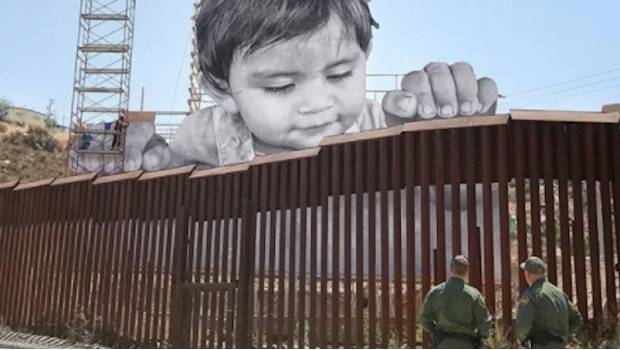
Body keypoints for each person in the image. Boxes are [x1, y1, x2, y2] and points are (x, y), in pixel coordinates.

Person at [122, 0, 499, 172]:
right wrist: (145, 165)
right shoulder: (205, 136)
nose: (318, 103)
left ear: (365, 53)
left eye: (338, 75)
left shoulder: (385, 128)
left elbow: (451, 205)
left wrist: (449, 147)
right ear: (222, 89)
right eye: (281, 86)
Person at [419, 255, 491, 348]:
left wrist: (435, 331)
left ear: (451, 270)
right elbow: (485, 322)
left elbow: (424, 319)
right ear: (466, 272)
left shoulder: (435, 292)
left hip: (442, 343)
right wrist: (481, 337)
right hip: (467, 344)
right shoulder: (474, 295)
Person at [516, 256, 582, 348]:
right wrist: (564, 336)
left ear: (528, 274)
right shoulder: (559, 292)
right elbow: (577, 319)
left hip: (540, 345)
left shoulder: (531, 294)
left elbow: (523, 326)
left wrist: (520, 339)